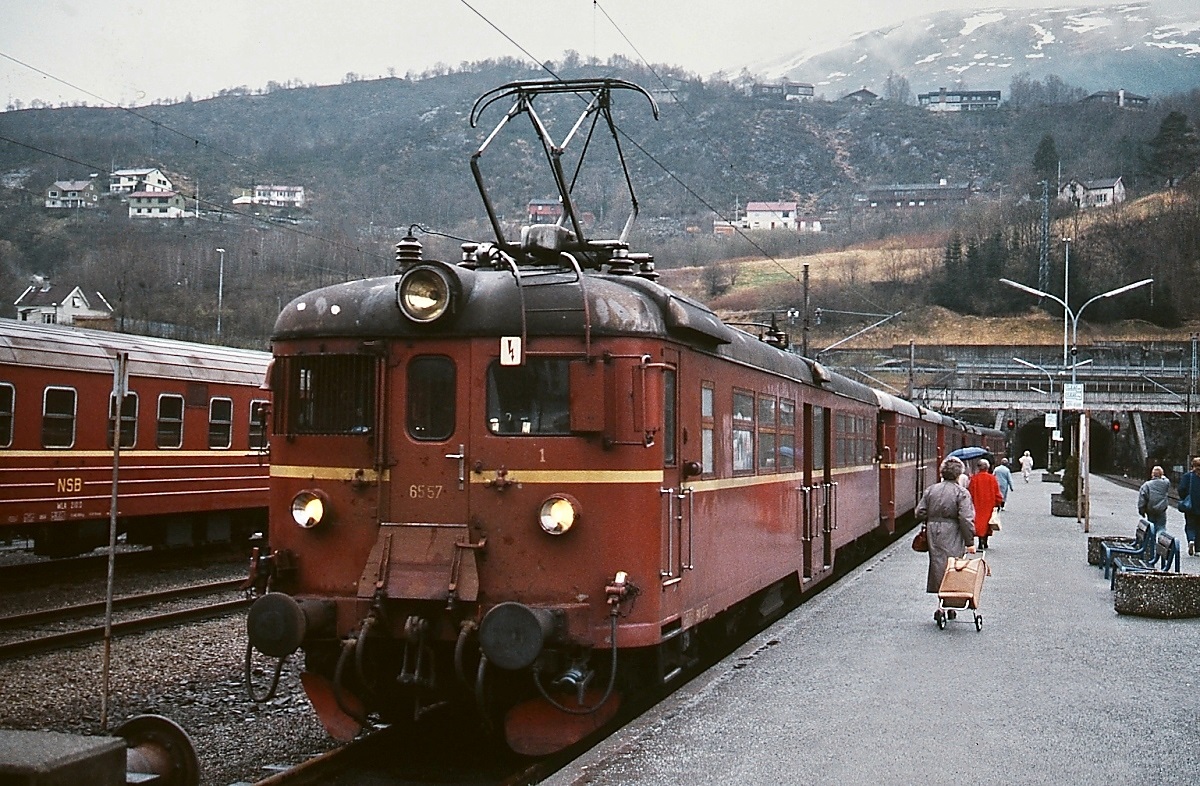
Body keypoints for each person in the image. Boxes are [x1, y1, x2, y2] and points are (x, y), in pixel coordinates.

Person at [915, 456, 976, 603]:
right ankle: (950, 600)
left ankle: (940, 603)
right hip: (953, 530)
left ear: (942, 472)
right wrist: (970, 542)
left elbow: (919, 512)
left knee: (937, 564)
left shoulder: (931, 490)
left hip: (933, 531)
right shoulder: (961, 493)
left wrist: (932, 518)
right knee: (953, 565)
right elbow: (965, 518)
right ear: (958, 474)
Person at [968, 458, 1003, 550]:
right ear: (987, 467)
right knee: (988, 522)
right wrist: (998, 502)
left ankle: (980, 540)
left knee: (979, 522)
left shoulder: (974, 479)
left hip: (977, 504)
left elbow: (970, 492)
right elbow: (997, 492)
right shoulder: (992, 478)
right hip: (989, 504)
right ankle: (985, 541)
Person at [1137, 465, 1171, 536]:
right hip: (1161, 510)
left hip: (1150, 510)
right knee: (1161, 527)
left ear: (1152, 474)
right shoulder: (1165, 483)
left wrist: (1141, 510)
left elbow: (1142, 499)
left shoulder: (1147, 485)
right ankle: (1160, 539)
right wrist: (1161, 475)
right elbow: (1165, 479)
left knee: (1152, 527)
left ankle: (1152, 540)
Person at [1179, 457, 1200, 556]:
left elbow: (1181, 489)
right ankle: (1198, 549)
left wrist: (1184, 498)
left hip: (1191, 506)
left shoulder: (1188, 476)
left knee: (1190, 525)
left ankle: (1191, 540)